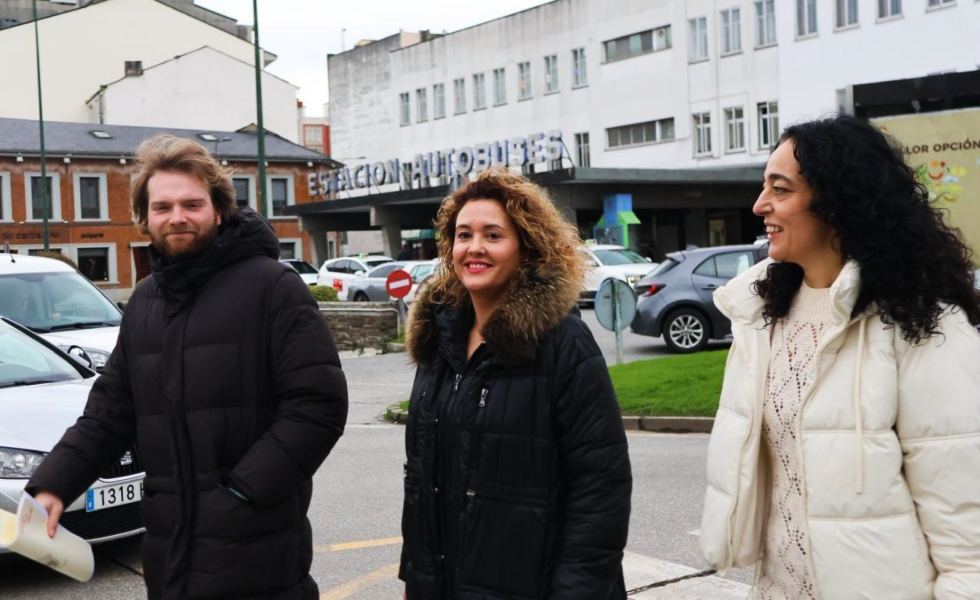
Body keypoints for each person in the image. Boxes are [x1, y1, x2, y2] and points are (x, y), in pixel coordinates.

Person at [26, 135, 349, 599]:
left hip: (257, 551)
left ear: (219, 210)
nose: (177, 217)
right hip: (168, 551)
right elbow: (111, 411)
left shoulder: (274, 287)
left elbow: (317, 406)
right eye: (162, 207)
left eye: (191, 203)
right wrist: (55, 484)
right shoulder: (145, 302)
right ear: (145, 219)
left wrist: (241, 493)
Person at [700, 115, 980, 599]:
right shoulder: (760, 315)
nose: (759, 204)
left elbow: (965, 520)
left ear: (837, 202)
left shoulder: (919, 322)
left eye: (780, 189)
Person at [399, 168, 632, 599]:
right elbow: (420, 481)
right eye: (463, 235)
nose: (474, 248)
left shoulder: (562, 342)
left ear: (526, 248)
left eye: (492, 235)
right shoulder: (439, 342)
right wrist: (417, 578)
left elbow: (601, 487)